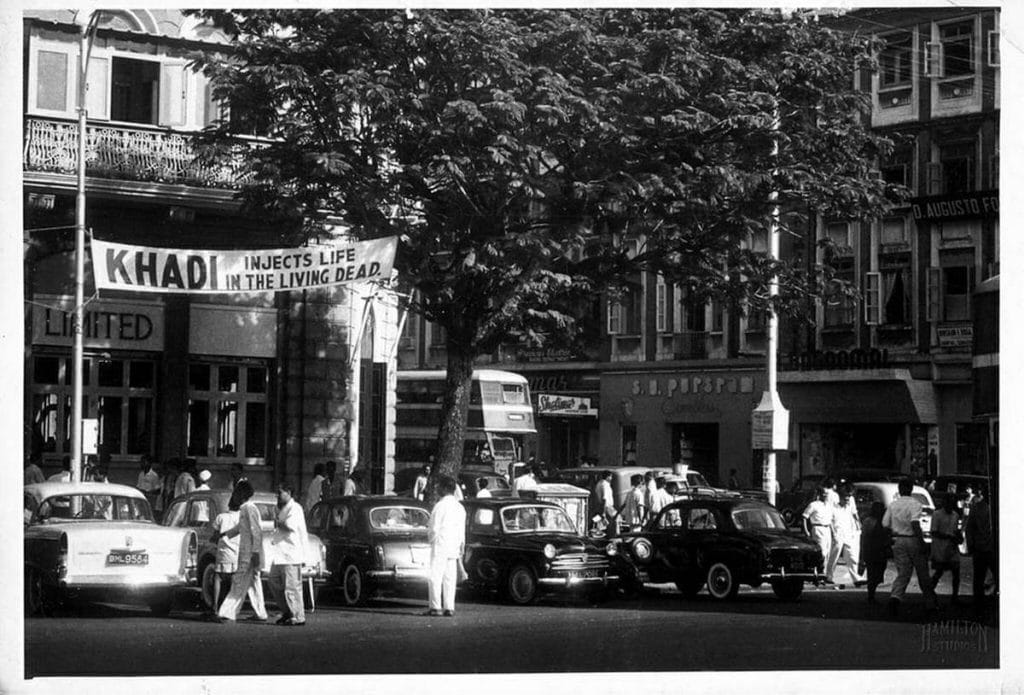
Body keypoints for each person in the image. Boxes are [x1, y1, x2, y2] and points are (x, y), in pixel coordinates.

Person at [882, 478, 938, 617]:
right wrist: (923, 542)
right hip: (913, 539)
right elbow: (915, 524)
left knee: (903, 572)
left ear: (900, 490)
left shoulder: (893, 505)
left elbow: (885, 525)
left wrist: (889, 541)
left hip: (898, 540)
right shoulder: (915, 504)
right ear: (911, 489)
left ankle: (895, 597)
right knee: (922, 572)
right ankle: (929, 602)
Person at [216, 480, 268, 623]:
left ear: (241, 494)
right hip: (250, 551)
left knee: (238, 580)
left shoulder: (249, 508)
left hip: (249, 552)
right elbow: (241, 527)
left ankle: (227, 612)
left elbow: (255, 531)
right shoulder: (246, 509)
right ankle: (260, 613)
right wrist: (226, 534)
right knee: (253, 583)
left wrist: (255, 552)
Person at [268, 483, 308, 626]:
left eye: (280, 493)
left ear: (289, 492)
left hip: (291, 553)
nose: (278, 496)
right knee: (273, 581)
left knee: (292, 586)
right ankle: (287, 611)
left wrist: (277, 518)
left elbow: (288, 527)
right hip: (279, 553)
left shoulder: (295, 508)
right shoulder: (283, 509)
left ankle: (297, 615)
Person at [426, 476, 466, 617]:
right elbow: (462, 530)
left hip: (440, 544)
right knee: (450, 577)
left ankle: (435, 607)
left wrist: (431, 540)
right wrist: (461, 546)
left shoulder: (440, 506)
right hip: (454, 544)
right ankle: (449, 606)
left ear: (443, 488)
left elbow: (433, 528)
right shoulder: (460, 507)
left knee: (435, 576)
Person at [208, 486, 243, 616]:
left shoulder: (221, 517)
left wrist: (213, 540)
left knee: (218, 577)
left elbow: (215, 534)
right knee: (234, 580)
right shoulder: (241, 517)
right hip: (237, 551)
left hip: (223, 551)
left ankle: (215, 606)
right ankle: (230, 608)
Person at [965, 484, 997, 613]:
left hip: (980, 547)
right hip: (989, 548)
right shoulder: (992, 507)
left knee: (979, 577)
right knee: (990, 575)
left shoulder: (977, 508)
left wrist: (971, 545)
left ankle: (978, 603)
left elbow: (969, 529)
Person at [828, 485, 865, 588]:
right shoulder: (834, 507)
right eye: (845, 497)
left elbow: (854, 514)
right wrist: (833, 533)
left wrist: (858, 524)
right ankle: (828, 576)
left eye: (849, 497)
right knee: (833, 556)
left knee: (852, 556)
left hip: (849, 533)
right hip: (838, 533)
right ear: (840, 497)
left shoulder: (849, 506)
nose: (848, 499)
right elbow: (830, 521)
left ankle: (855, 578)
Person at [929, 492, 962, 605]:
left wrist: (957, 537)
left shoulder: (955, 515)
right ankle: (929, 591)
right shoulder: (937, 514)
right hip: (940, 547)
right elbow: (934, 531)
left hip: (952, 547)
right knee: (939, 571)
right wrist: (948, 536)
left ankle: (955, 596)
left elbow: (956, 530)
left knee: (955, 572)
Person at [858, 501, 890, 603]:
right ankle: (871, 595)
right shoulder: (868, 521)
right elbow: (864, 538)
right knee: (872, 574)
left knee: (877, 574)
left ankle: (871, 593)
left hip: (879, 551)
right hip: (872, 550)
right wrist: (862, 556)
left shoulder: (884, 521)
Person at [802, 487, 834, 582]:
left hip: (827, 529)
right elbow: (804, 517)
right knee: (822, 552)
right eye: (824, 493)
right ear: (819, 494)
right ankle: (819, 574)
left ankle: (823, 575)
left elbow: (830, 520)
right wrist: (806, 531)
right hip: (818, 528)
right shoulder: (813, 505)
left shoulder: (829, 506)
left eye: (827, 494)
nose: (825, 495)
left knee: (828, 553)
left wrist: (833, 532)